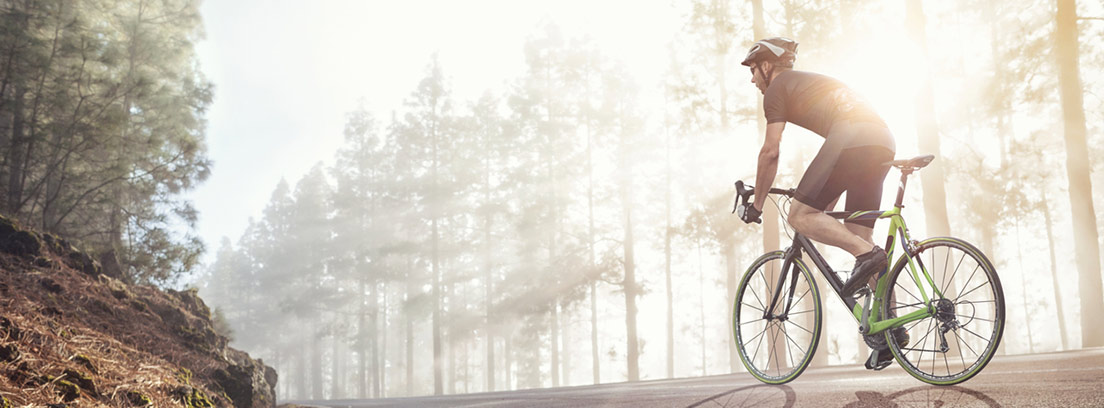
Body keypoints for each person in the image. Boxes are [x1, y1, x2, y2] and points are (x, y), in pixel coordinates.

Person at [736, 37, 906, 367]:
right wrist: (822, 202)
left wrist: (756, 205)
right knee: (857, 232)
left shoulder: (776, 89)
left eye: (753, 70)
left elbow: (770, 151)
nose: (752, 79)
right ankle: (890, 332)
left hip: (852, 137)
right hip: (882, 141)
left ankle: (868, 256)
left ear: (767, 66)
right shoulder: (809, 83)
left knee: (799, 216)